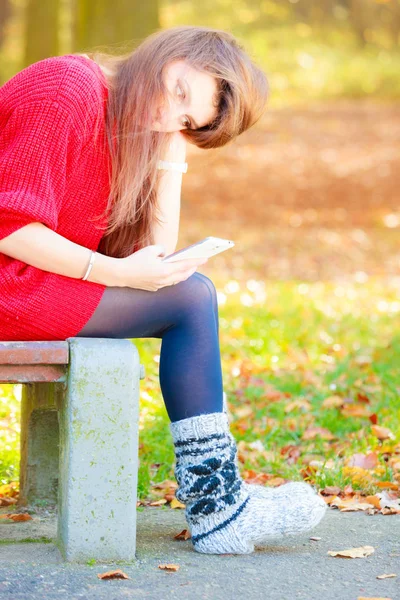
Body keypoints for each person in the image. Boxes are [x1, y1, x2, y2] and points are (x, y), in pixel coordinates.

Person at [0, 25, 326, 554]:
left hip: (24, 285)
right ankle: (217, 509)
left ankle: (217, 505)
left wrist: (171, 153)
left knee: (189, 292)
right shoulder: (66, 88)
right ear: (167, 53)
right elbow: (9, 222)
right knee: (192, 299)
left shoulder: (131, 124)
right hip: (9, 280)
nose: (164, 114)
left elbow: (156, 257)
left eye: (186, 121)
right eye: (177, 93)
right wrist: (119, 275)